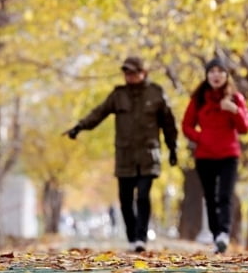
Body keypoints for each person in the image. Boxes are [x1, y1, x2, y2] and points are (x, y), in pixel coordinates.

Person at [66, 57, 178, 253]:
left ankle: (141, 237)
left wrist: (173, 148)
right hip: (125, 155)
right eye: (127, 73)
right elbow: (99, 113)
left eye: (133, 72)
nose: (130, 76)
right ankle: (132, 236)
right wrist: (80, 126)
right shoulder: (119, 96)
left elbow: (168, 124)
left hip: (147, 155)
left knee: (143, 196)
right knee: (125, 199)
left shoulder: (156, 93)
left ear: (143, 72)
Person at [181, 57, 248, 254]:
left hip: (228, 153)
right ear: (207, 75)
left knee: (225, 195)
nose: (216, 75)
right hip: (205, 155)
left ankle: (224, 233)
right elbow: (186, 125)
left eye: (220, 71)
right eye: (212, 71)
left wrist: (235, 111)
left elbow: (245, 127)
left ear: (226, 75)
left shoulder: (235, 98)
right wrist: (200, 137)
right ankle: (216, 236)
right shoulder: (198, 99)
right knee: (210, 197)